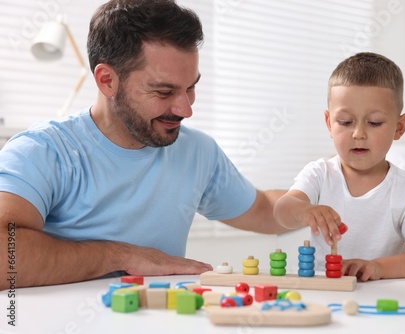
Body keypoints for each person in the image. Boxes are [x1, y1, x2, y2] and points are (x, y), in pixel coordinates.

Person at [0, 0, 288, 290]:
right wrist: (121, 257)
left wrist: (323, 189)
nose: (185, 109)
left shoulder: (197, 151)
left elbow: (263, 209)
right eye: (164, 91)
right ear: (107, 81)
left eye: (191, 88)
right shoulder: (41, 152)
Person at [273, 52, 405, 282]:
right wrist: (304, 211)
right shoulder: (319, 174)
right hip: (326, 295)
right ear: (329, 123)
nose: (359, 134)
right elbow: (282, 211)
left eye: (374, 123)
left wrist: (377, 267)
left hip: (385, 301)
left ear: (399, 127)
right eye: (345, 122)